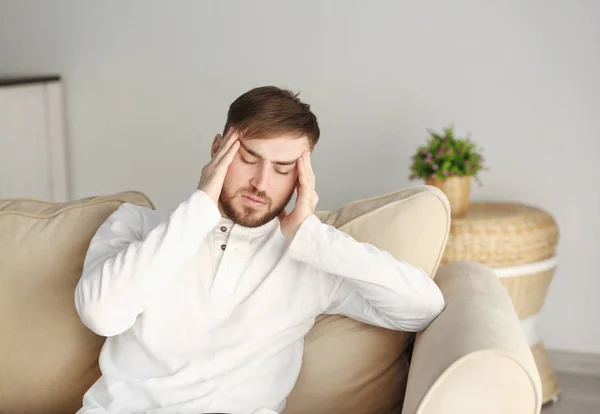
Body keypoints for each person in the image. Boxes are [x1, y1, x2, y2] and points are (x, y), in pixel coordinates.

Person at [74, 86, 445, 414]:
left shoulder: (313, 258)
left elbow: (421, 309)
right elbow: (101, 315)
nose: (260, 183)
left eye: (283, 169)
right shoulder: (138, 225)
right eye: (248, 158)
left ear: (302, 177)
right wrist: (200, 208)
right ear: (218, 149)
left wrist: (310, 236)